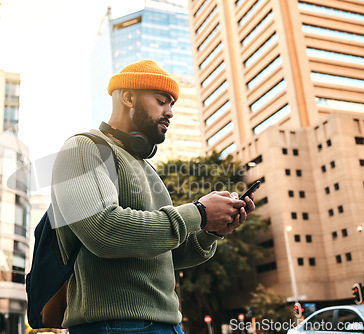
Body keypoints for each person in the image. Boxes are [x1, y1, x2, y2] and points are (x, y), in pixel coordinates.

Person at [50, 59, 255, 333]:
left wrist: (211, 230)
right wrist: (200, 212)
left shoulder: (148, 169)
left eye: (172, 104)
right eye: (161, 101)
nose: (170, 112)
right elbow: (104, 233)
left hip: (169, 325)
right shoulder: (82, 149)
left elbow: (170, 253)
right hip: (114, 327)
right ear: (128, 97)